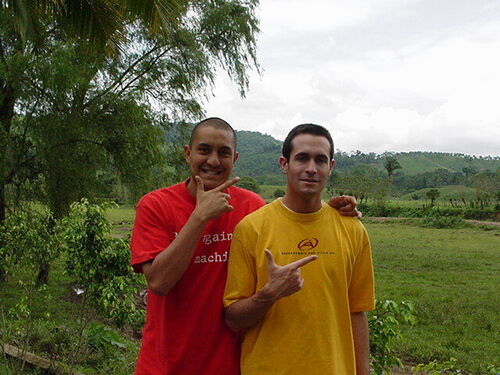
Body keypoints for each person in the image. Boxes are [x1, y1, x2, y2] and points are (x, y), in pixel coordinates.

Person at [130, 118, 361, 375]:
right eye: (204, 150)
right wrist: (199, 217)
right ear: (187, 153)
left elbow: (289, 220)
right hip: (166, 363)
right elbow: (159, 282)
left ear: (235, 158)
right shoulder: (156, 205)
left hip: (230, 362)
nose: (214, 161)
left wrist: (330, 212)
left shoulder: (251, 207)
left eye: (224, 153)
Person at [224, 123, 375, 375]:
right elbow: (233, 319)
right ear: (284, 164)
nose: (311, 169)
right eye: (302, 158)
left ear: (331, 167)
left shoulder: (353, 230)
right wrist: (268, 294)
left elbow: (357, 311)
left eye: (321, 160)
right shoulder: (252, 228)